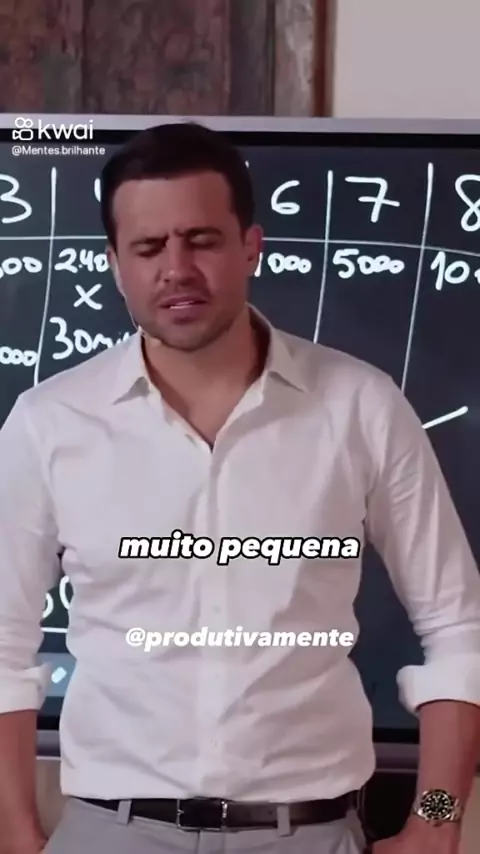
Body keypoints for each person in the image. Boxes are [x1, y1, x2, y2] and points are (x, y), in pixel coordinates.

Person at [0, 121, 479, 854]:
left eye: (202, 240)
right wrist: (15, 832)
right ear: (116, 265)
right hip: (110, 832)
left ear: (250, 245)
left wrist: (438, 820)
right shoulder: (49, 423)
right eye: (149, 248)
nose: (177, 269)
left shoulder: (361, 406)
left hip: (310, 833)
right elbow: (3, 646)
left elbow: (459, 629)